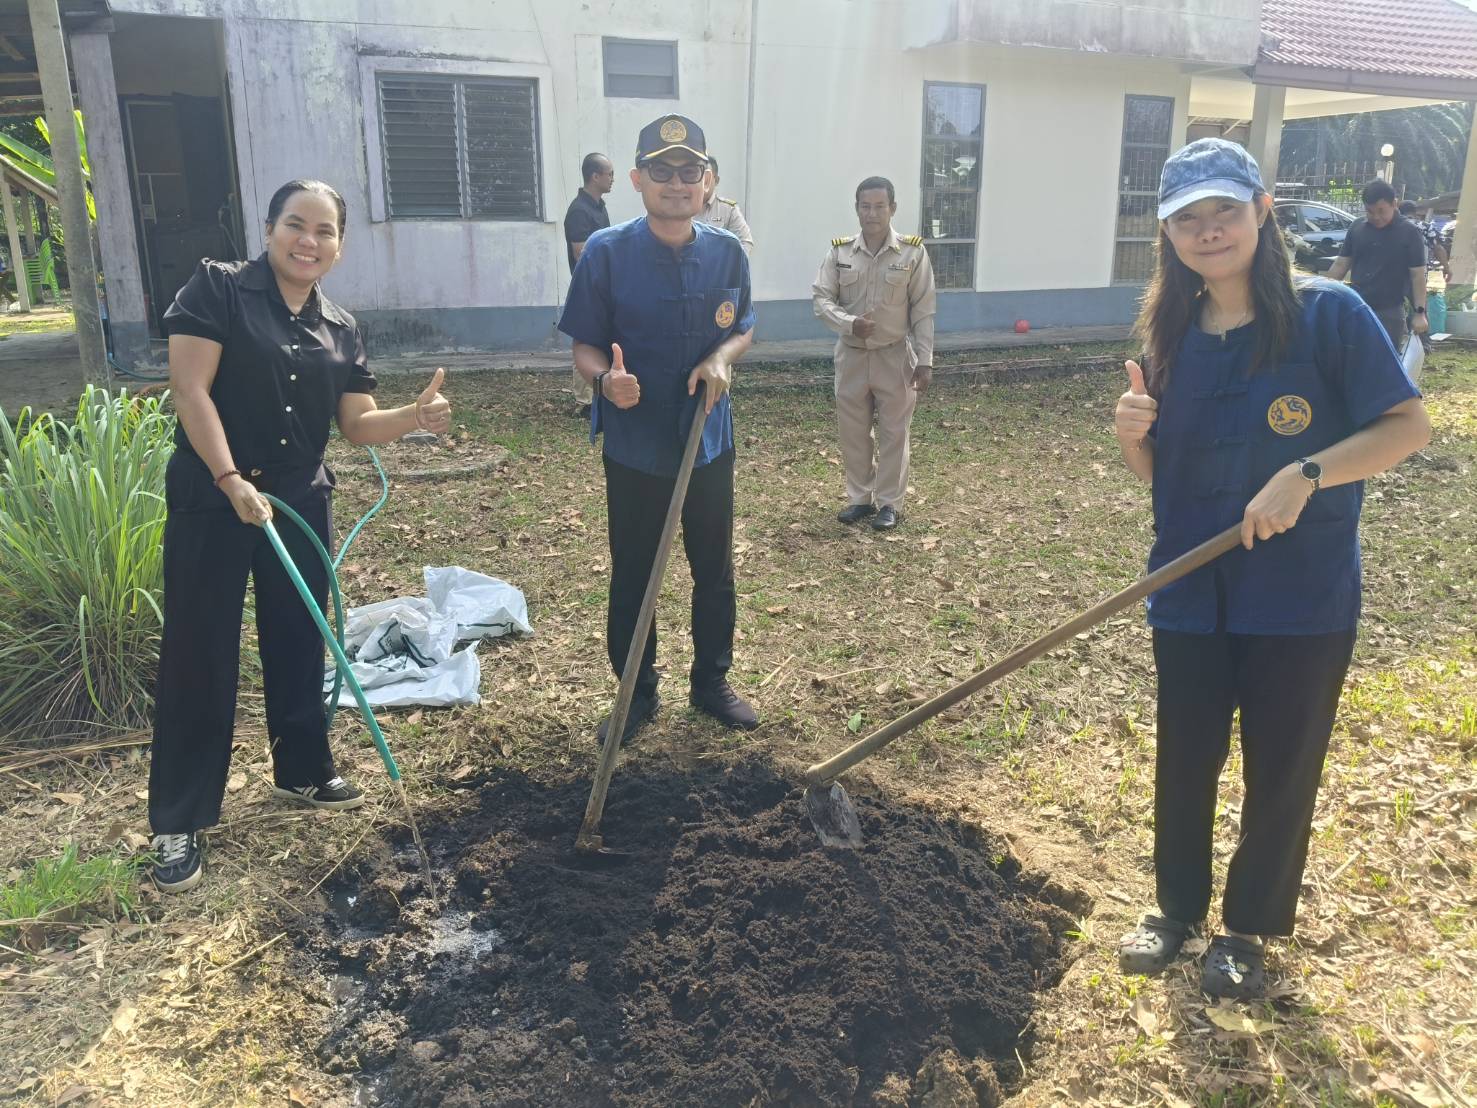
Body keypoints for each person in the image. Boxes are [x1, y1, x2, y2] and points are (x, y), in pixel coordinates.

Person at [1112, 138, 1429, 999]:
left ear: (1261, 212)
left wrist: (1308, 471)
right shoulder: (1169, 331)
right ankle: (1173, 910)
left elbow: (1406, 425)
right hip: (1189, 586)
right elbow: (1166, 481)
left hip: (1298, 594)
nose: (1207, 231)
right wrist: (1133, 440)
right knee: (1184, 754)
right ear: (1168, 235)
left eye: (1223, 211)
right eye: (1187, 218)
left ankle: (1244, 928)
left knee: (1280, 761)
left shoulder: (1326, 314)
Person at [149, 179, 452, 892]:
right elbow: (190, 389)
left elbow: (355, 424)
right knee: (200, 652)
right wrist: (229, 480)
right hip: (211, 494)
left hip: (297, 499)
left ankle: (303, 772)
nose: (308, 240)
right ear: (269, 228)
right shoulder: (217, 290)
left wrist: (414, 414)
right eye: (296, 224)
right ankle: (180, 818)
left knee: (297, 636)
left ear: (339, 245)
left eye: (324, 230)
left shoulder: (339, 327)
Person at [558, 114, 758, 739]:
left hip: (707, 440)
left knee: (714, 567)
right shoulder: (606, 254)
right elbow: (585, 346)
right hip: (636, 443)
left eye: (689, 171)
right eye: (663, 171)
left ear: (708, 181)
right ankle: (636, 696)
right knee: (635, 571)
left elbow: (743, 327)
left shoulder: (728, 252)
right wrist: (602, 382)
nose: (677, 183)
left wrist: (721, 360)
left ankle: (711, 682)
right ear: (638, 179)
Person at [811, 176, 936, 531]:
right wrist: (850, 323)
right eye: (865, 206)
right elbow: (821, 299)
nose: (872, 213)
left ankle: (889, 503)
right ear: (857, 209)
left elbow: (923, 309)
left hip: (895, 356)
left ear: (892, 208)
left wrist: (925, 361)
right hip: (851, 356)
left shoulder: (912, 253)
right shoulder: (839, 252)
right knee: (853, 430)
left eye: (880, 206)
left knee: (895, 432)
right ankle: (860, 498)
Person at [1324, 179, 1428, 350]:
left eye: (1381, 211)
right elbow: (1341, 264)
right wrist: (1323, 292)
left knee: (1386, 361)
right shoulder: (1357, 227)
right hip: (1356, 307)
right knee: (1352, 356)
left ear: (1394, 204)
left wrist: (1419, 313)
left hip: (1389, 311)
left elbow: (1418, 275)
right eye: (1370, 212)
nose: (1376, 217)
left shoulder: (1410, 232)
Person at [563, 153, 615, 413]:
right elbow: (581, 253)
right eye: (610, 174)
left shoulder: (599, 206)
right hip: (587, 286)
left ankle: (597, 392)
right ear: (595, 176)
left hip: (605, 286)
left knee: (600, 339)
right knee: (585, 338)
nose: (612, 180)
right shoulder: (579, 210)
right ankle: (584, 401)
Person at [700, 155, 754, 255]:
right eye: (699, 175)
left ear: (716, 180)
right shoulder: (683, 206)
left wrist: (730, 266)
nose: (703, 181)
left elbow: (746, 242)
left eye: (707, 177)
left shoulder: (728, 210)